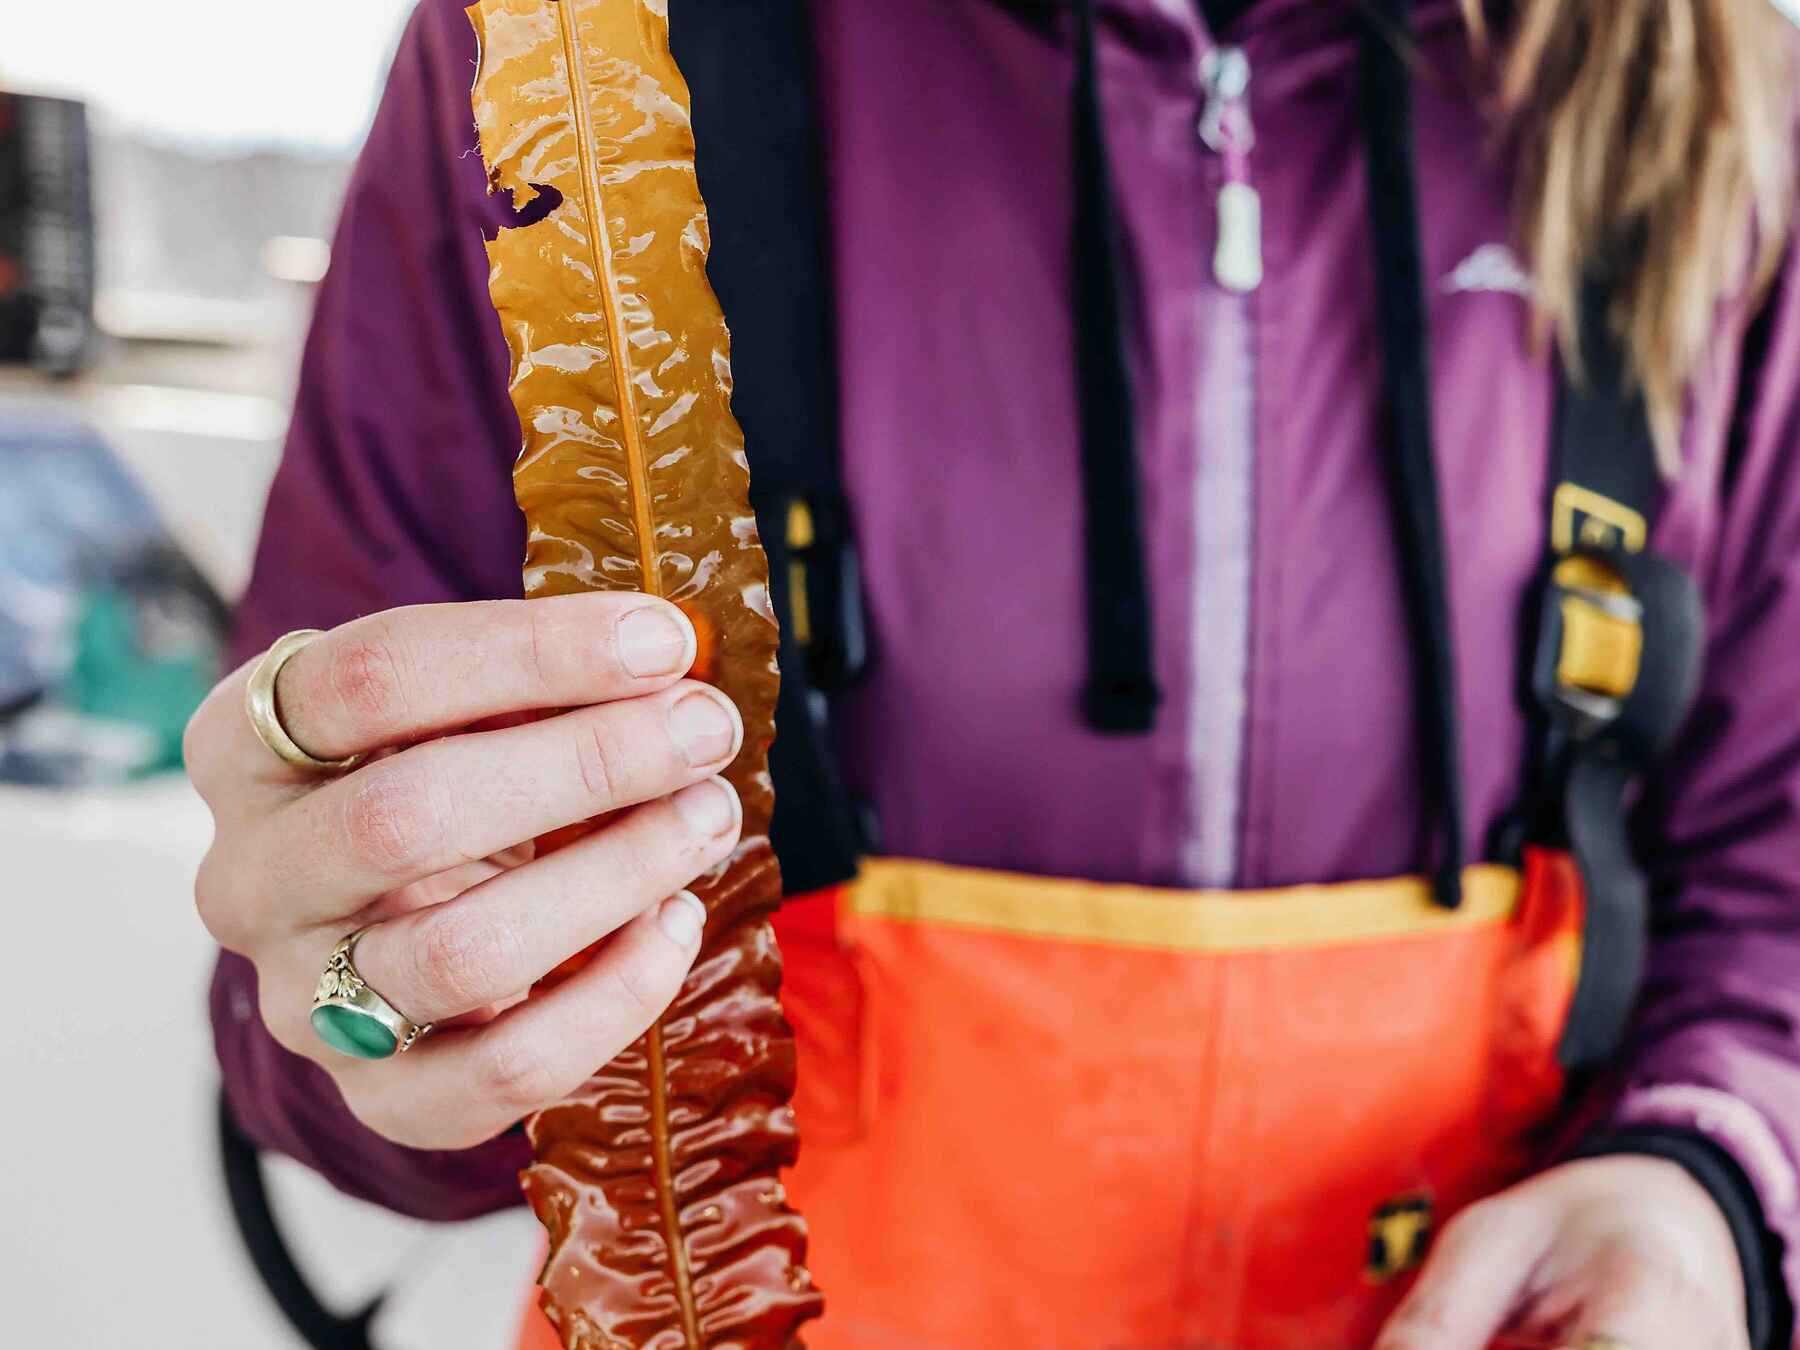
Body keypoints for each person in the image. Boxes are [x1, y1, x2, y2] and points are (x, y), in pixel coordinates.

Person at [187, 0, 1800, 1346]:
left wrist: (1706, 1184)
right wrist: (374, 1013)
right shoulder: (559, 52)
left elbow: (1770, 883)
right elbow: (319, 1016)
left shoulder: (1727, 121)